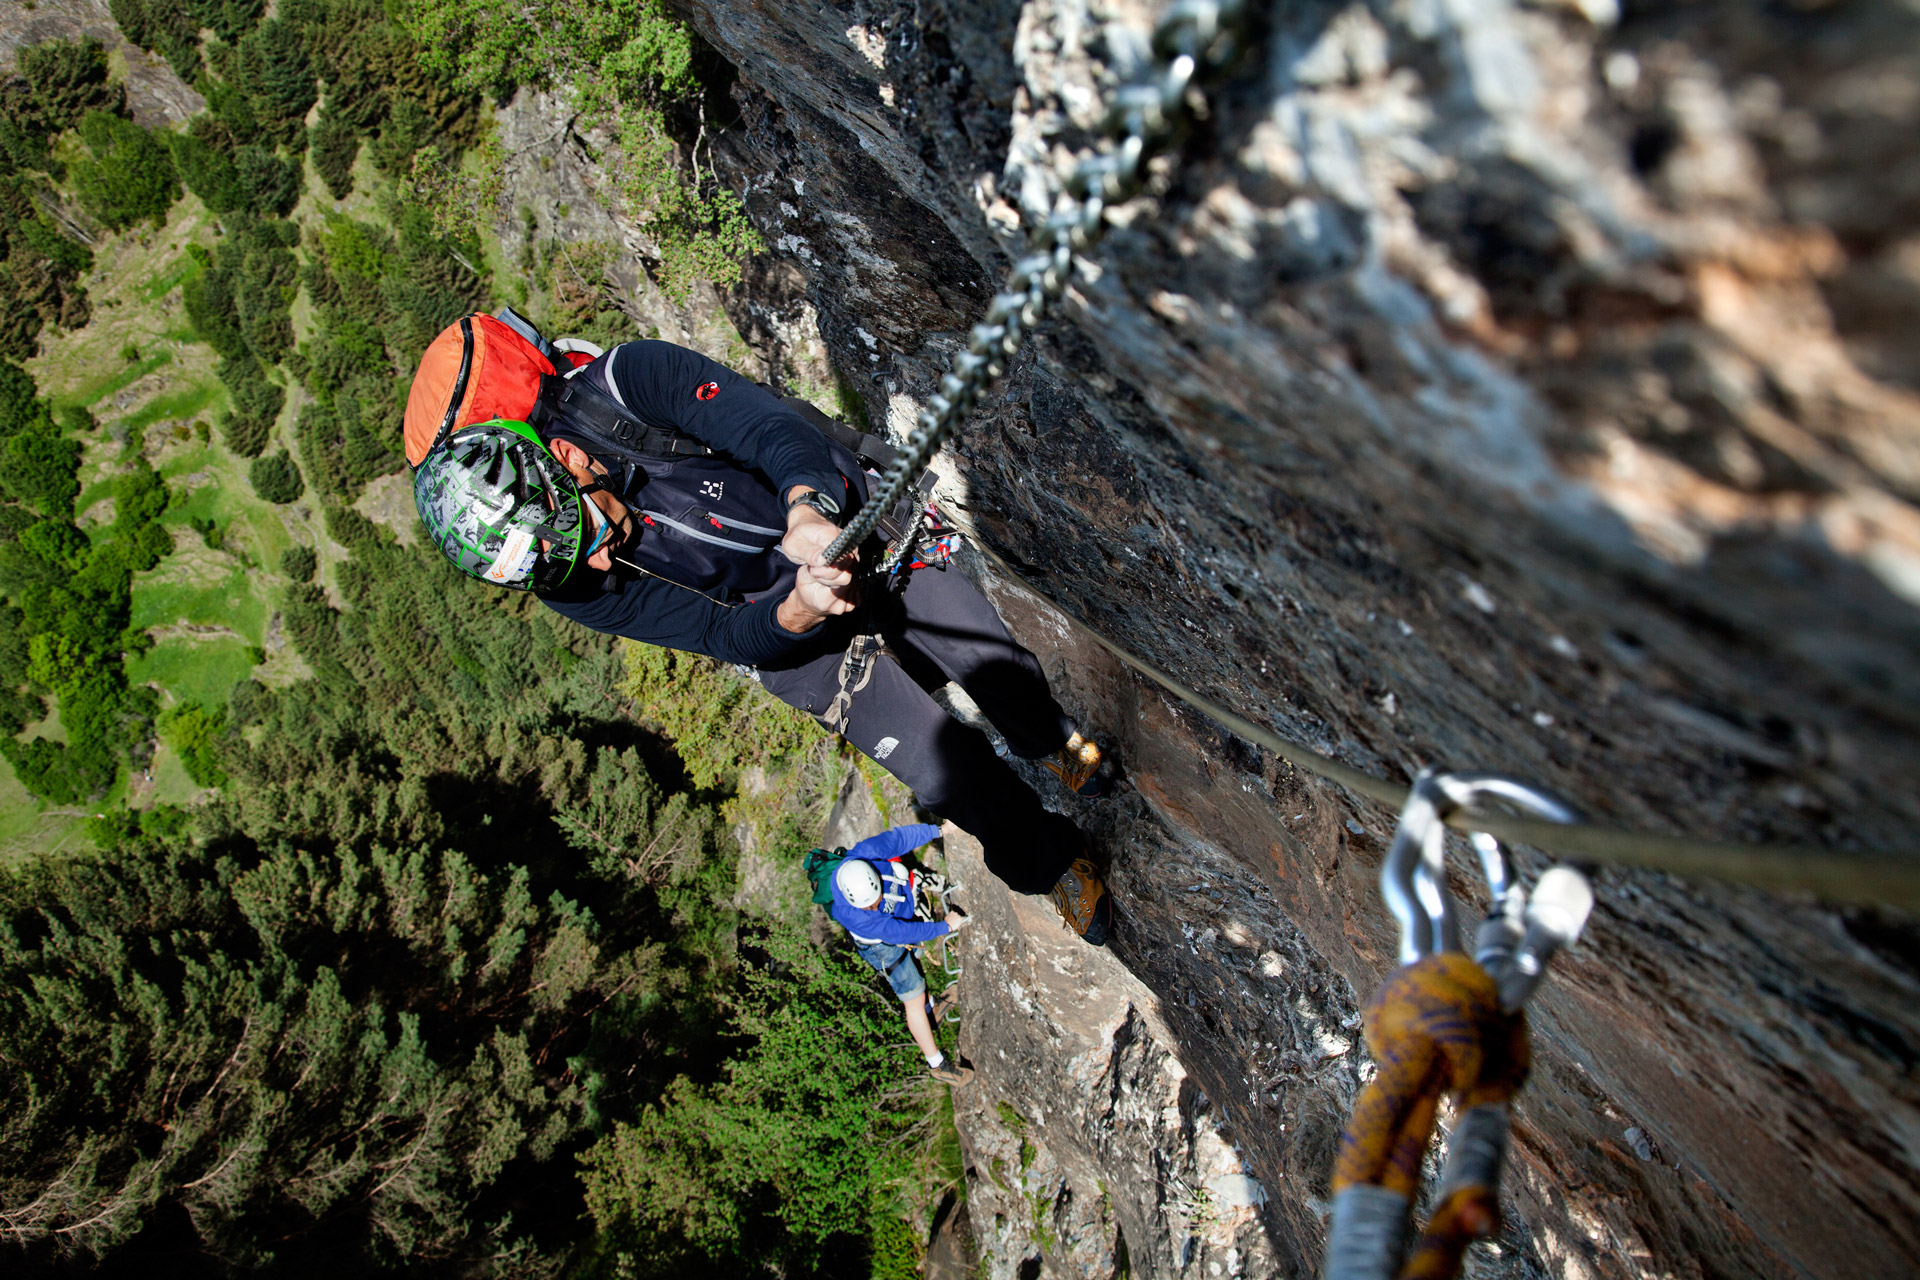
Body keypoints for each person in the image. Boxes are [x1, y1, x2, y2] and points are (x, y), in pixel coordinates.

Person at [407, 326, 1115, 941]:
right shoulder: (568, 579)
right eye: (567, 561)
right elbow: (721, 635)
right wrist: (796, 614)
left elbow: (772, 432)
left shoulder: (630, 383)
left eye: (582, 533)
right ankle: (1049, 863)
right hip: (771, 618)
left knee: (980, 649)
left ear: (569, 462)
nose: (595, 562)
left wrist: (807, 512)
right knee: (942, 771)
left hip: (832, 511)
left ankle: (1052, 740)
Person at [826, 823, 972, 1084]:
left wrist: (939, 830)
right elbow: (901, 933)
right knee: (912, 999)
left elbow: (899, 839)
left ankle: (933, 1006)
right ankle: (937, 1065)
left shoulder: (865, 853)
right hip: (881, 950)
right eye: (872, 904)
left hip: (894, 931)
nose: (877, 904)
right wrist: (945, 926)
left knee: (917, 973)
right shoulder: (858, 917)